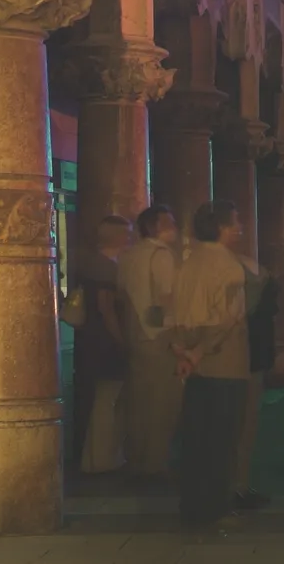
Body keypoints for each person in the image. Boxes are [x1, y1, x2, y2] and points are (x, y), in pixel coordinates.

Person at [170, 201, 252, 531]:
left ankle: (191, 504)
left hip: (193, 363)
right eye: (234, 224)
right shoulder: (230, 267)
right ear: (220, 228)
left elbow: (172, 311)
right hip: (224, 363)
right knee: (222, 439)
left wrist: (182, 353)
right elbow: (228, 320)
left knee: (196, 437)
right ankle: (215, 508)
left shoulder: (186, 264)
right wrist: (199, 353)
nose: (239, 230)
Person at [120, 204, 182, 485]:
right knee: (161, 403)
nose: (175, 227)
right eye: (170, 222)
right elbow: (166, 297)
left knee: (138, 400)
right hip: (157, 334)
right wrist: (172, 332)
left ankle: (135, 459)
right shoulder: (161, 255)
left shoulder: (129, 255)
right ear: (155, 227)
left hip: (134, 333)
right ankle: (154, 463)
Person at [73, 214, 132, 474]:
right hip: (105, 342)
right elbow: (106, 308)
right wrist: (121, 339)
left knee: (95, 398)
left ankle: (93, 457)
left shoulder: (86, 263)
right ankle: (102, 458)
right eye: (127, 234)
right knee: (107, 399)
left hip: (88, 339)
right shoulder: (107, 268)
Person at [232, 250, 277, 512]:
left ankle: (237, 483)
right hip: (248, 356)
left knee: (241, 424)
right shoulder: (246, 279)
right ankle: (236, 485)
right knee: (243, 424)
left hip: (248, 355)